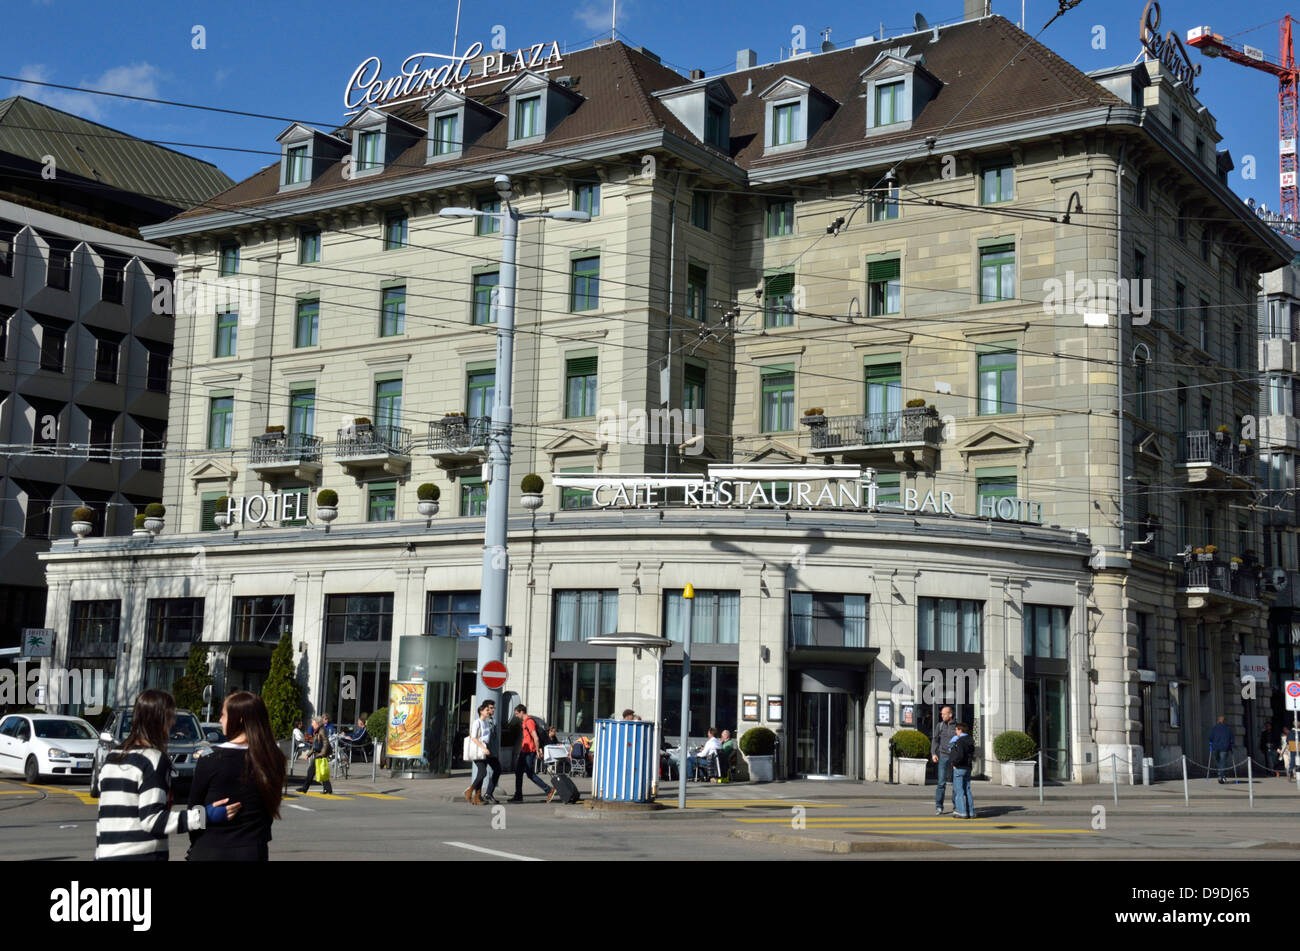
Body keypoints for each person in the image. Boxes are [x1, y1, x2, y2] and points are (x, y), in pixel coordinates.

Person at [95, 689, 239, 860]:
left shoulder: (113, 757)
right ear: (160, 720)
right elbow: (153, 820)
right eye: (170, 716)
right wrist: (204, 816)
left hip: (105, 853)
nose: (173, 722)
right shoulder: (153, 759)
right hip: (141, 855)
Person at [187, 691, 283, 861]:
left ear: (238, 719)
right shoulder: (273, 758)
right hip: (253, 849)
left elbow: (194, 813)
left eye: (223, 715)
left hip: (211, 848)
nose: (220, 720)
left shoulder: (210, 758)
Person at [509, 704, 556, 803]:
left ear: (522, 712)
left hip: (529, 752)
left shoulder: (529, 722)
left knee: (530, 774)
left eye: (517, 713)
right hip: (524, 751)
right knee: (518, 772)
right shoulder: (524, 722)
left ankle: (549, 790)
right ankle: (518, 795)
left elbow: (536, 737)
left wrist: (538, 750)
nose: (516, 716)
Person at [466, 700, 501, 805]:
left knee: (485, 773)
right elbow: (473, 737)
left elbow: (491, 738)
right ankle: (470, 791)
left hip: (487, 751)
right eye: (487, 709)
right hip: (479, 750)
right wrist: (484, 748)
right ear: (481, 711)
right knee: (482, 773)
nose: (490, 711)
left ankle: (477, 798)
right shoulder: (477, 722)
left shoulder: (487, 722)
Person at [297, 716, 333, 795]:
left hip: (320, 754)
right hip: (318, 753)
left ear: (317, 723)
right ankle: (327, 789)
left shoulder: (322, 731)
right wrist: (308, 754)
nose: (312, 724)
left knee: (314, 771)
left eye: (313, 722)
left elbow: (326, 743)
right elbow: (315, 745)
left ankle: (305, 788)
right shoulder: (317, 731)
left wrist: (322, 754)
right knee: (317, 771)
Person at [930, 705, 957, 815]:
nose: (942, 715)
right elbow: (935, 740)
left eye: (944, 714)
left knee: (956, 784)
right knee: (941, 782)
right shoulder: (940, 726)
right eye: (941, 713)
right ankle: (939, 806)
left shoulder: (957, 726)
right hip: (943, 756)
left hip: (955, 758)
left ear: (950, 715)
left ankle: (956, 806)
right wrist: (933, 753)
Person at [949, 722, 976, 819]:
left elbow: (960, 755)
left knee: (959, 791)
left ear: (960, 730)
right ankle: (971, 812)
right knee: (967, 790)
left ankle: (961, 812)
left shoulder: (960, 741)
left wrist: (954, 763)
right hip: (968, 767)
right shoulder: (970, 740)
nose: (955, 732)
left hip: (959, 767)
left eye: (956, 729)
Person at [1209, 715, 1234, 783]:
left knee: (1218, 761)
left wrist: (1212, 742)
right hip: (1224, 747)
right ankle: (1221, 775)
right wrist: (1231, 744)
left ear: (1218, 721)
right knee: (1222, 761)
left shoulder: (1214, 728)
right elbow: (1232, 739)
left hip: (1216, 747)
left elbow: (1210, 737)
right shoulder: (1228, 729)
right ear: (1224, 721)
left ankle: (1221, 774)